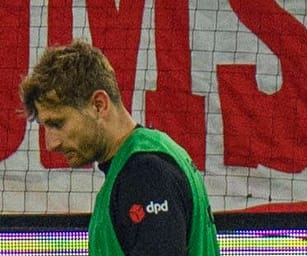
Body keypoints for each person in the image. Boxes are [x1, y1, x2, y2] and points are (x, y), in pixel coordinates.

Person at [20, 40, 217, 256]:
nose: (51, 143)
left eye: (57, 123)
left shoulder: (144, 174)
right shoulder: (150, 155)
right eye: (45, 127)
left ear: (99, 105)